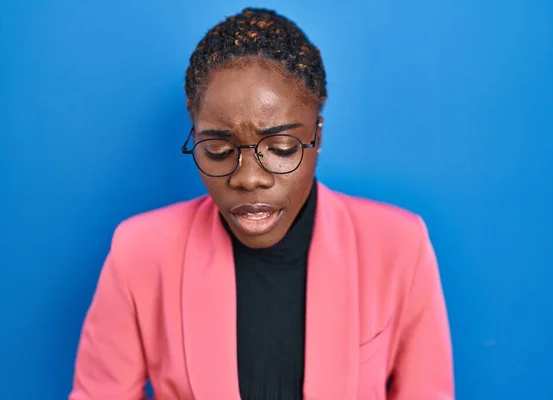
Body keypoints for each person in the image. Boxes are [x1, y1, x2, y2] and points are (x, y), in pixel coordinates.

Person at [69, 7, 453, 400]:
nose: (248, 178)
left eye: (281, 147)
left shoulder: (399, 246)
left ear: (316, 136)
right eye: (217, 149)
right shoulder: (140, 251)